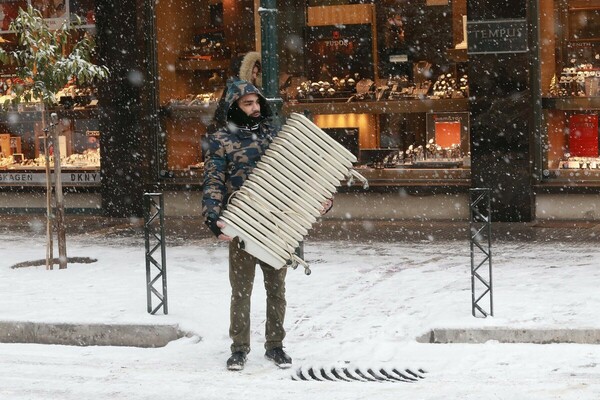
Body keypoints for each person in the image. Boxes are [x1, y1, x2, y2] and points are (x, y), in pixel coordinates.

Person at [202, 79, 332, 371]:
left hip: (276, 225)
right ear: (233, 106)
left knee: (276, 289)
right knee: (241, 292)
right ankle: (239, 348)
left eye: (257, 102)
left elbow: (300, 174)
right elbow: (212, 181)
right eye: (248, 103)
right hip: (243, 225)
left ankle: (275, 346)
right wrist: (213, 219)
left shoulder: (274, 134)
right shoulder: (221, 139)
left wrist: (322, 199)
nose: (255, 107)